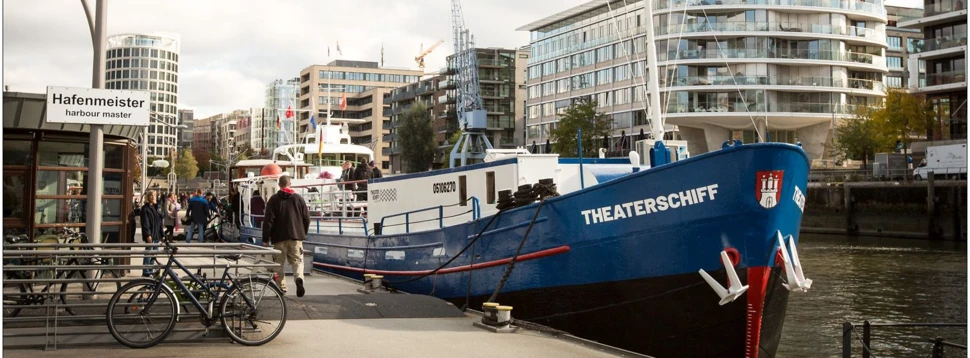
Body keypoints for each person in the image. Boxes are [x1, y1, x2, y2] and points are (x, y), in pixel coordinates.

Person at [262, 175, 310, 297]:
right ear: (290, 184)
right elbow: (306, 218)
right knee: (297, 261)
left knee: (279, 264)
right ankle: (299, 278)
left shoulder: (273, 200)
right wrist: (302, 232)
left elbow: (268, 221)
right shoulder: (299, 199)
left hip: (278, 238)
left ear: (279, 185)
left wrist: (265, 238)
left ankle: (281, 288)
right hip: (296, 237)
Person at [140, 190, 164, 277]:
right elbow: (145, 223)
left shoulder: (156, 207)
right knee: (148, 253)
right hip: (150, 235)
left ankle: (151, 270)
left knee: (154, 254)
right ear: (148, 197)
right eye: (151, 195)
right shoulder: (145, 208)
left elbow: (160, 222)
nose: (153, 197)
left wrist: (162, 235)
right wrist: (148, 235)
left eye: (154, 195)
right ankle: (146, 271)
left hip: (157, 235)